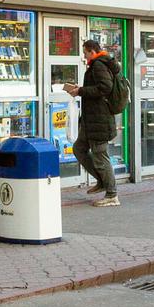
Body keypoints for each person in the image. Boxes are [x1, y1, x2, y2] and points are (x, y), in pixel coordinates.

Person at [61, 36, 124, 207]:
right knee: (79, 148)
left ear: (92, 51)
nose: (84, 56)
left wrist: (80, 90)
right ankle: (102, 180)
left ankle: (112, 195)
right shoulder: (98, 64)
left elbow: (105, 87)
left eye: (85, 53)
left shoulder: (98, 65)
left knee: (100, 156)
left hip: (99, 120)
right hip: (91, 120)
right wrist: (80, 89)